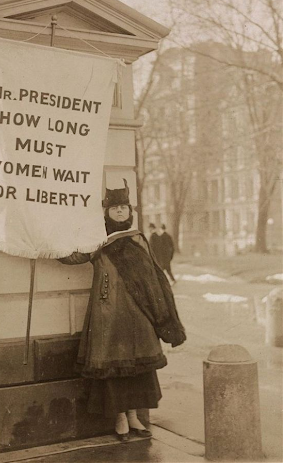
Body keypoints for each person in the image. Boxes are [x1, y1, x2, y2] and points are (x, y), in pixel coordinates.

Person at [59, 180, 186, 441]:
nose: (119, 211)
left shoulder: (138, 239)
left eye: (123, 207)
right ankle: (119, 419)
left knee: (137, 368)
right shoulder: (98, 240)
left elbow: (155, 277)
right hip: (109, 315)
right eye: (114, 207)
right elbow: (73, 256)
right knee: (113, 367)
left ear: (130, 212)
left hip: (139, 315)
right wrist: (44, 244)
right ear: (106, 212)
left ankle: (133, 417)